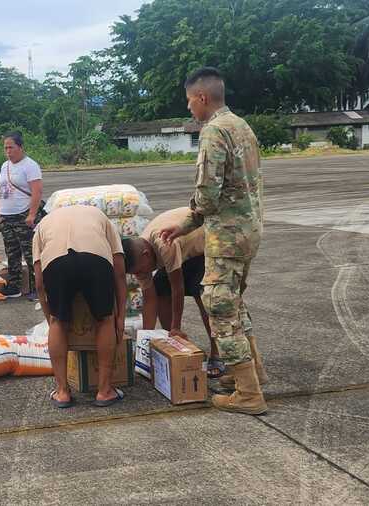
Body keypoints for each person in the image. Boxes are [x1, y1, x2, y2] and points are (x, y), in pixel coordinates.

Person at [160, 67, 267, 415]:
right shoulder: (241, 126)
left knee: (220, 310)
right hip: (249, 230)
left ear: (202, 98)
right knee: (235, 304)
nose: (189, 108)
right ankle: (251, 373)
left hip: (226, 237)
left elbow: (207, 196)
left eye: (190, 101)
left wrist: (185, 223)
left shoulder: (214, 132)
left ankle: (249, 394)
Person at [33, 206, 131, 408]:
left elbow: (39, 281)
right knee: (104, 319)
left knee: (59, 321)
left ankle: (62, 392)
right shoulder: (101, 217)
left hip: (56, 262)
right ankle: (105, 391)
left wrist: (50, 317)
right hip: (95, 260)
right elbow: (120, 274)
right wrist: (119, 317)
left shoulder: (44, 224)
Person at [122, 207, 227, 377]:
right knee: (160, 288)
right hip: (183, 252)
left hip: (205, 245)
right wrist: (144, 340)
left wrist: (176, 326)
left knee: (204, 296)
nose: (139, 275)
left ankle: (218, 354)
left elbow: (177, 287)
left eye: (140, 271)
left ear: (146, 255)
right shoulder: (139, 260)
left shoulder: (164, 243)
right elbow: (150, 299)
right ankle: (176, 344)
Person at [0, 131, 43, 300]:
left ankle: (38, 288)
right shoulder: (4, 166)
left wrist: (32, 214)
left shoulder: (30, 165)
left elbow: (37, 192)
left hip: (23, 216)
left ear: (20, 147)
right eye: (5, 148)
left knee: (31, 253)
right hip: (6, 217)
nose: (8, 151)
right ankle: (14, 287)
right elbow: (1, 188)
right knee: (12, 253)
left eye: (11, 147)